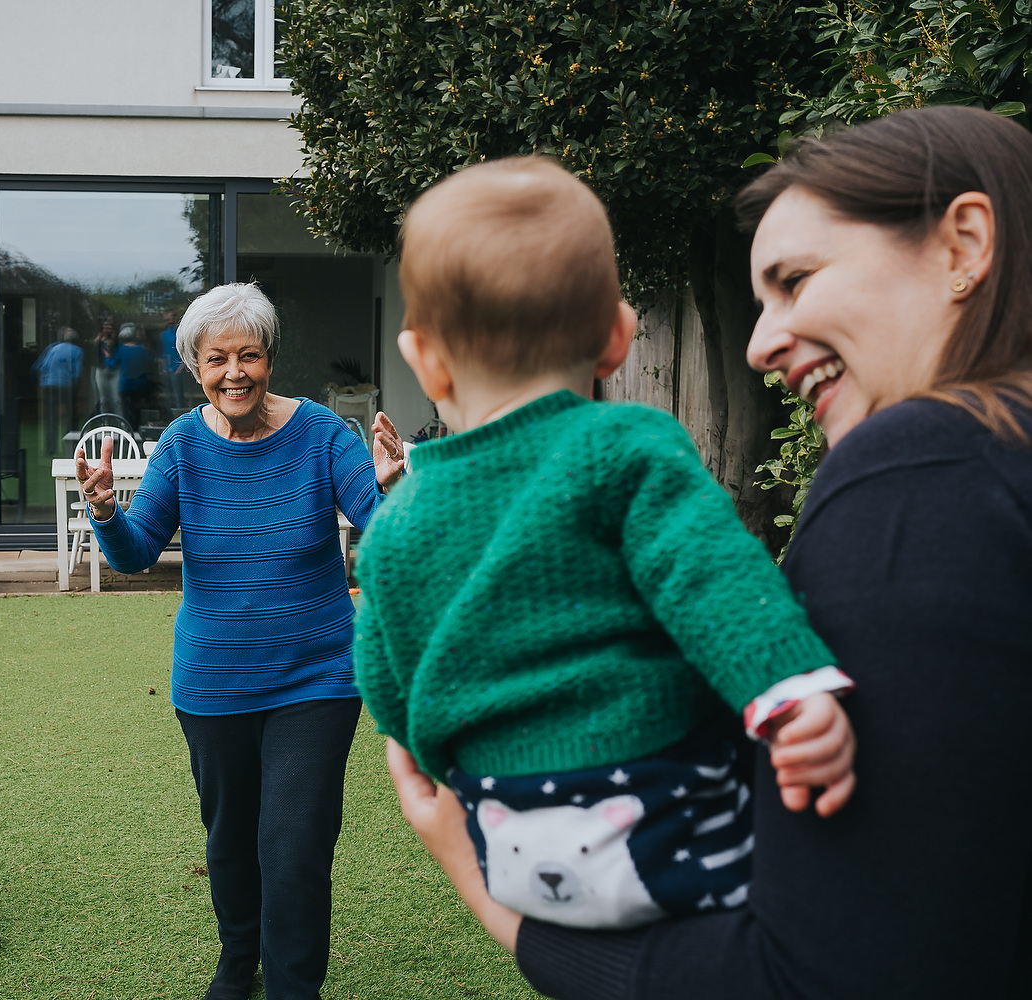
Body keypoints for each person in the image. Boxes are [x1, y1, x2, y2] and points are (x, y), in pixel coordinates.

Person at [387, 106, 1032, 998]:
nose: (759, 345)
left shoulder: (917, 467)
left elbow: (826, 980)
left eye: (795, 280)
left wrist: (496, 903)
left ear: (964, 245)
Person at [353, 156, 856, 934]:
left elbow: (384, 676)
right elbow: (712, 578)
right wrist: (789, 692)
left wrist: (438, 763)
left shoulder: (398, 518)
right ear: (619, 338)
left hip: (509, 836)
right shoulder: (624, 444)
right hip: (669, 809)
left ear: (424, 360)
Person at [74, 282, 398, 1000]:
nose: (235, 373)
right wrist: (105, 509)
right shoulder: (183, 446)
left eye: (249, 355)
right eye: (217, 358)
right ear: (195, 367)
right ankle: (239, 952)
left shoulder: (322, 434)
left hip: (317, 676)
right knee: (230, 842)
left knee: (295, 847)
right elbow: (134, 554)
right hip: (214, 682)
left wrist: (389, 491)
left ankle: (292, 985)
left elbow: (383, 532)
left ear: (270, 359)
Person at [35, 326, 84, 455]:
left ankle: (50, 448)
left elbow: (39, 366)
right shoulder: (77, 350)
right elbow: (77, 374)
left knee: (51, 418)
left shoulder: (52, 348)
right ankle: (73, 447)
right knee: (73, 416)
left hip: (49, 385)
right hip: (66, 386)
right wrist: (75, 391)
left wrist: (43, 382)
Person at [112, 322, 154, 429]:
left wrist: (107, 355)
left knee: (127, 410)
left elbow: (111, 364)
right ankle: (137, 430)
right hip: (140, 384)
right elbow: (150, 361)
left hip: (125, 385)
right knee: (138, 410)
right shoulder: (142, 349)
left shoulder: (120, 350)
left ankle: (130, 430)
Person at [159, 308, 192, 413]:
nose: (170, 320)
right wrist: (161, 369)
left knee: (178, 396)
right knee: (168, 397)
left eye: (172, 317)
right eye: (167, 318)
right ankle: (170, 420)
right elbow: (161, 353)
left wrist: (180, 369)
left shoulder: (181, 333)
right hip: (166, 371)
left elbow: (186, 352)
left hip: (178, 370)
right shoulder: (162, 335)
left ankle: (179, 418)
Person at [92, 319, 120, 417]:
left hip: (115, 370)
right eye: (106, 328)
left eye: (110, 328)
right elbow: (93, 352)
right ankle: (104, 421)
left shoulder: (116, 340)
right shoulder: (98, 340)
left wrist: (113, 338)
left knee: (116, 399)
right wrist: (100, 338)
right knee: (103, 399)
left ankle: (120, 421)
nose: (108, 331)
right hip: (101, 369)